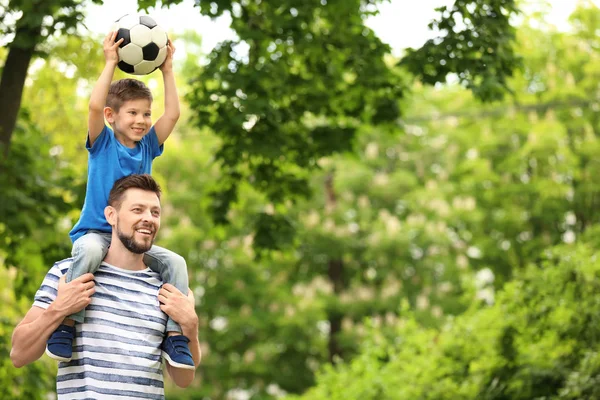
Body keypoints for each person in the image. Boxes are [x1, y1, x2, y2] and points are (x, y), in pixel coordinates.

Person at [42, 30, 195, 370]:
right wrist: (111, 62)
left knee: (177, 264)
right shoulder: (103, 144)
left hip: (130, 241)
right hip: (98, 233)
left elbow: (171, 116)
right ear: (113, 117)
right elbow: (95, 105)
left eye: (145, 114)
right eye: (133, 114)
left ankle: (174, 338)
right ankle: (67, 324)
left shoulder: (148, 147)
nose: (142, 121)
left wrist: (168, 70)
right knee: (90, 252)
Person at [10, 174, 201, 398]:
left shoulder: (168, 290)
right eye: (137, 210)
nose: (148, 218)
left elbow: (183, 379)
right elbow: (19, 354)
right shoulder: (69, 275)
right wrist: (60, 308)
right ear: (111, 215)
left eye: (155, 212)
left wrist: (191, 325)